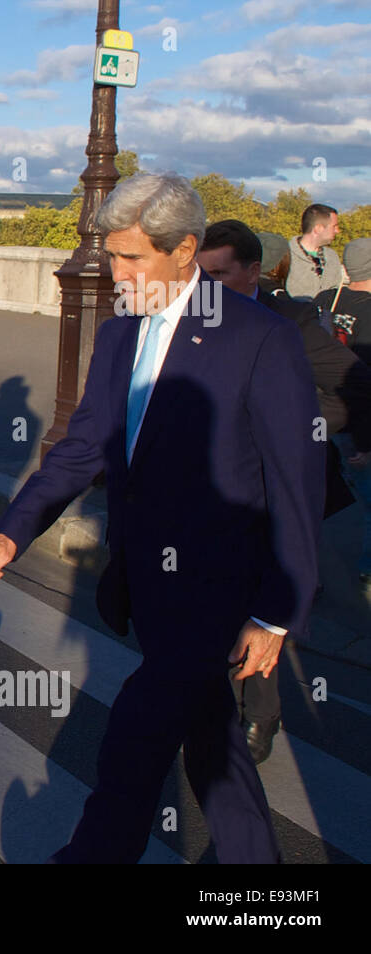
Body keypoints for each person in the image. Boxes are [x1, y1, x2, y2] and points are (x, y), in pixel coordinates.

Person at [0, 173, 324, 863]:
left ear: (186, 249)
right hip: (149, 583)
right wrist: (14, 528)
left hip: (218, 589)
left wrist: (277, 614)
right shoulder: (119, 335)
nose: (115, 271)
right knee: (210, 744)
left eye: (132, 258)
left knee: (135, 738)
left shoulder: (258, 339)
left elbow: (297, 486)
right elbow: (80, 449)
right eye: (112, 254)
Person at [199, 221, 371, 760]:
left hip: (274, 491)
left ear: (253, 271)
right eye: (200, 274)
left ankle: (260, 715)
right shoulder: (188, 316)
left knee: (256, 605)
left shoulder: (291, 320)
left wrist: (290, 421)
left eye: (220, 274)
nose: (207, 286)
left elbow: (353, 383)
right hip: (208, 487)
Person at [315, 238, 371, 600]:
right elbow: (367, 385)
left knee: (312, 498)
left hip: (321, 413)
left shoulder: (325, 300)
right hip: (354, 422)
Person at [287, 203, 347, 301]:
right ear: (318, 228)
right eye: (334, 226)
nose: (337, 231)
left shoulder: (332, 257)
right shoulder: (286, 255)